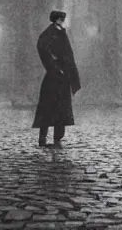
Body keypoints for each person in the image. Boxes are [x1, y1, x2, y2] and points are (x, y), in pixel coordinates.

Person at [32, 10, 81, 147]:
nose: (62, 21)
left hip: (63, 76)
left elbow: (67, 54)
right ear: (56, 19)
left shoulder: (60, 32)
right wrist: (53, 65)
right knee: (48, 107)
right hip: (54, 77)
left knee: (62, 108)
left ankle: (58, 138)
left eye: (62, 19)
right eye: (60, 19)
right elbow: (43, 48)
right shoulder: (49, 33)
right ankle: (43, 138)